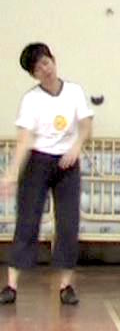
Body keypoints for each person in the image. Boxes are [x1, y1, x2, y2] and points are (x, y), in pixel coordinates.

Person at [0, 43, 93, 306]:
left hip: (67, 164)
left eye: (46, 62)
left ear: (53, 60)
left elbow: (86, 125)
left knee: (68, 223)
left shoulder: (74, 92)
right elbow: (24, 140)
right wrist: (11, 174)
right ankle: (11, 285)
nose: (46, 69)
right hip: (38, 162)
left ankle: (66, 286)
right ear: (34, 75)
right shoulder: (31, 100)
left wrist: (76, 148)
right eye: (39, 68)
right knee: (27, 221)